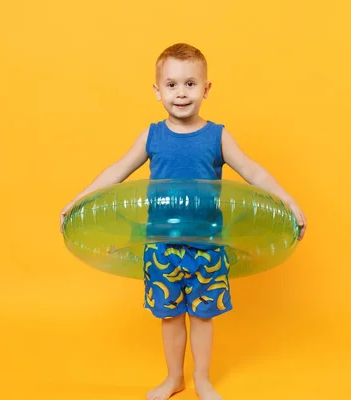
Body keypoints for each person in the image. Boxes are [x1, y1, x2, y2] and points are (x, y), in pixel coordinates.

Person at [60, 43, 307, 400]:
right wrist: (78, 198)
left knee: (203, 316)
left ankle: (202, 380)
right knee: (171, 315)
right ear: (157, 90)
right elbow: (117, 170)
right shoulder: (151, 136)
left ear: (206, 89)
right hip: (162, 245)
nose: (181, 93)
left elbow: (253, 170)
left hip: (207, 244)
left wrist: (287, 198)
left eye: (190, 84)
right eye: (172, 85)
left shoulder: (217, 136)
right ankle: (174, 378)